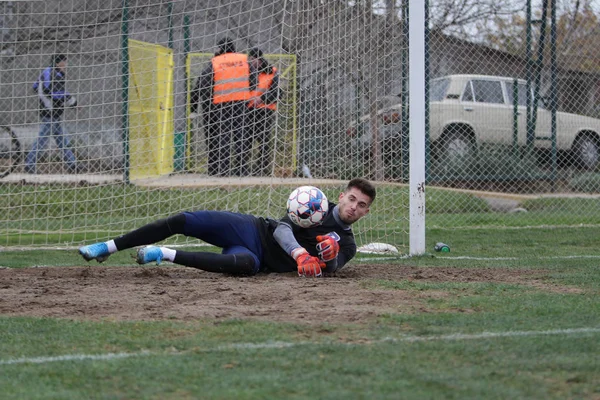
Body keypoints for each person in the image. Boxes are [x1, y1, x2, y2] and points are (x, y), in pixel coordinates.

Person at [79, 178, 376, 277]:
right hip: (251, 230)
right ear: (341, 196)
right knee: (183, 220)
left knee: (243, 266)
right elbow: (281, 230)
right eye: (352, 199)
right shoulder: (314, 204)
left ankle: (164, 254)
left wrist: (328, 256)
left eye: (361, 205)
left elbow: (334, 267)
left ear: (366, 212)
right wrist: (300, 254)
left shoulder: (347, 244)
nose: (354, 207)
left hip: (260, 262)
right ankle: (108, 247)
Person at [189, 38, 257, 176]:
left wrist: (197, 104)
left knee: (223, 137)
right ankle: (241, 169)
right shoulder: (244, 60)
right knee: (241, 136)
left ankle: (223, 170)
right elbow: (254, 81)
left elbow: (203, 82)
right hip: (240, 103)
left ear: (220, 48)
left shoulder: (216, 62)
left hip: (221, 103)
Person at [25, 53, 79, 174]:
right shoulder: (56, 75)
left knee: (61, 139)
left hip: (51, 111)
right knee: (43, 140)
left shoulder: (46, 71)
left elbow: (35, 86)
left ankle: (72, 164)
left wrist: (45, 97)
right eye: (64, 62)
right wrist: (73, 102)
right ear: (58, 63)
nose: (66, 65)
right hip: (50, 112)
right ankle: (29, 164)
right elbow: (57, 94)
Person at [246, 48, 279, 176]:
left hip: (265, 110)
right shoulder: (247, 71)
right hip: (249, 109)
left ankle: (262, 168)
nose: (251, 62)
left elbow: (277, 92)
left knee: (263, 140)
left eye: (252, 59)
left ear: (258, 60)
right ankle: (243, 167)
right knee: (246, 139)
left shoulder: (272, 72)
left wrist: (261, 98)